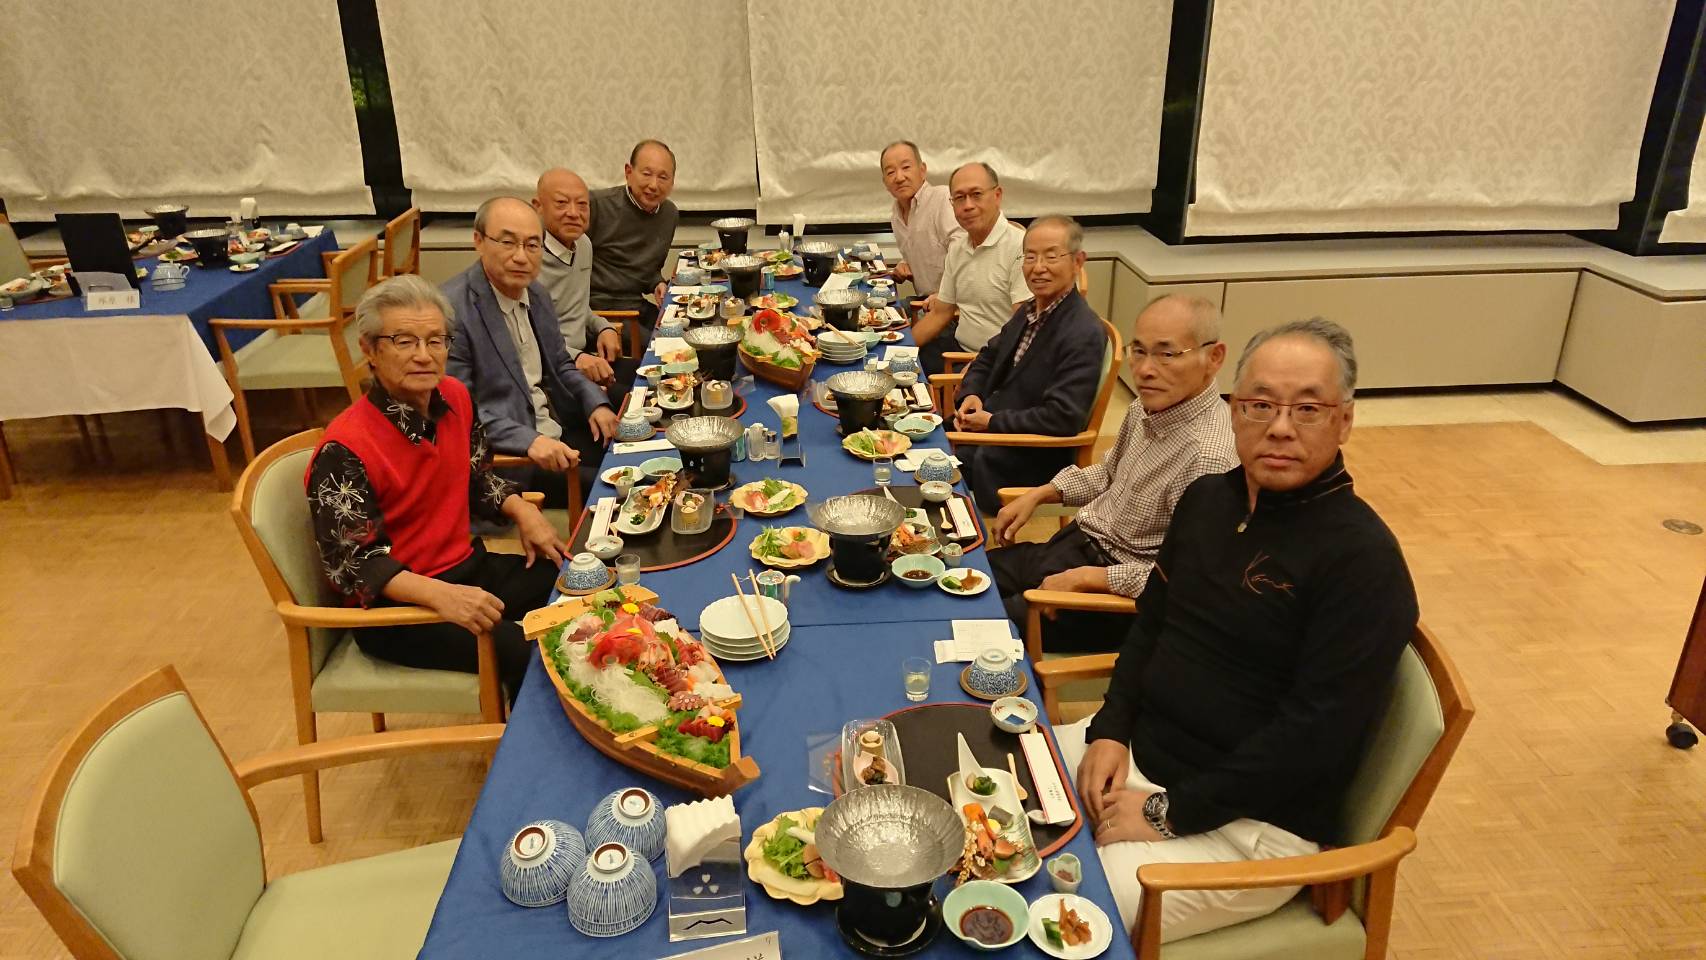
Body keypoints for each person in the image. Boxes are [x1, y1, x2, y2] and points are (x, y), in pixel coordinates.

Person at [1055, 318, 1418, 942]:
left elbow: (1311, 739)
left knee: (1063, 911)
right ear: (1233, 410)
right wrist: (1110, 730)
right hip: (1144, 755)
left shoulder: (1363, 561)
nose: (1280, 427)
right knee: (1002, 778)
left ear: (1345, 421)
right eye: (1261, 404)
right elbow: (1152, 627)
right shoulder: (1207, 501)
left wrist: (1168, 813)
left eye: (1308, 408)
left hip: (1250, 828)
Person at [306, 274, 566, 706]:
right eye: (404, 342)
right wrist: (443, 597)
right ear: (369, 350)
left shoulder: (454, 397)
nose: (424, 355)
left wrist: (523, 511)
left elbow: (477, 476)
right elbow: (355, 565)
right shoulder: (344, 448)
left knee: (582, 587)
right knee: (532, 653)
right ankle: (535, 745)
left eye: (436, 341)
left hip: (467, 568)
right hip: (398, 610)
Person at [988, 294, 1236, 639]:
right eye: (1139, 351)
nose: (1145, 370)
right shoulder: (1146, 407)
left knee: (978, 627)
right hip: (1075, 545)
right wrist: (1041, 494)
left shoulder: (1208, 457)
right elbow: (1108, 474)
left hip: (1112, 593)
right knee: (962, 576)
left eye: (1166, 354)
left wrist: (1088, 578)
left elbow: (1187, 580)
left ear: (1214, 357)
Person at [444, 197, 619, 498]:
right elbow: (458, 411)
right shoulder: (451, 310)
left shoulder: (535, 293)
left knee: (636, 453)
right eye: (508, 243)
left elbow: (561, 364)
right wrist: (530, 440)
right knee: (620, 489)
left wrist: (596, 403)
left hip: (555, 426)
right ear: (479, 241)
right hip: (512, 458)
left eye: (532, 245)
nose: (521, 257)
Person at [951, 215, 1106, 515]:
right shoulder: (1030, 311)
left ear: (1078, 261)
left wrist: (991, 422)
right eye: (1030, 257)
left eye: (1051, 256)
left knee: (930, 469)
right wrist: (971, 395)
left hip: (1029, 455)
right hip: (992, 435)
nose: (1038, 267)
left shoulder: (1082, 332)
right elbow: (988, 356)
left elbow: (1062, 418)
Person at [913, 162, 1031, 376]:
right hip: (958, 349)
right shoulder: (958, 248)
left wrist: (979, 368)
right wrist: (898, 351)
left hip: (996, 363)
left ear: (997, 195)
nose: (967, 205)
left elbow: (1022, 329)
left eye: (976, 195)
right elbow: (940, 313)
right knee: (899, 367)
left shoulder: (1021, 247)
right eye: (959, 198)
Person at [533, 167, 625, 395]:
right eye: (561, 203)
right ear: (538, 206)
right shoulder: (528, 260)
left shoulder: (583, 245)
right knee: (634, 401)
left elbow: (579, 307)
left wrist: (603, 327)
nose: (574, 213)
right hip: (550, 372)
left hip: (584, 358)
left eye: (582, 204)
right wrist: (577, 358)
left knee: (655, 377)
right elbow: (529, 339)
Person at [586, 139, 679, 330]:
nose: (653, 185)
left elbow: (649, 270)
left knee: (685, 329)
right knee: (661, 345)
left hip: (636, 305)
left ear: (672, 182)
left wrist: (657, 283)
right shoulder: (596, 205)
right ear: (628, 172)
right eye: (646, 174)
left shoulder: (669, 214)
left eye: (663, 177)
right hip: (600, 312)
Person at [880, 140, 960, 300]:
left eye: (906, 167)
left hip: (955, 304)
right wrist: (904, 264)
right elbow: (923, 249)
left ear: (922, 170)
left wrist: (946, 298)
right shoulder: (896, 216)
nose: (899, 177)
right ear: (885, 183)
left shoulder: (943, 199)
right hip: (925, 302)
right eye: (890, 172)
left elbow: (964, 253)